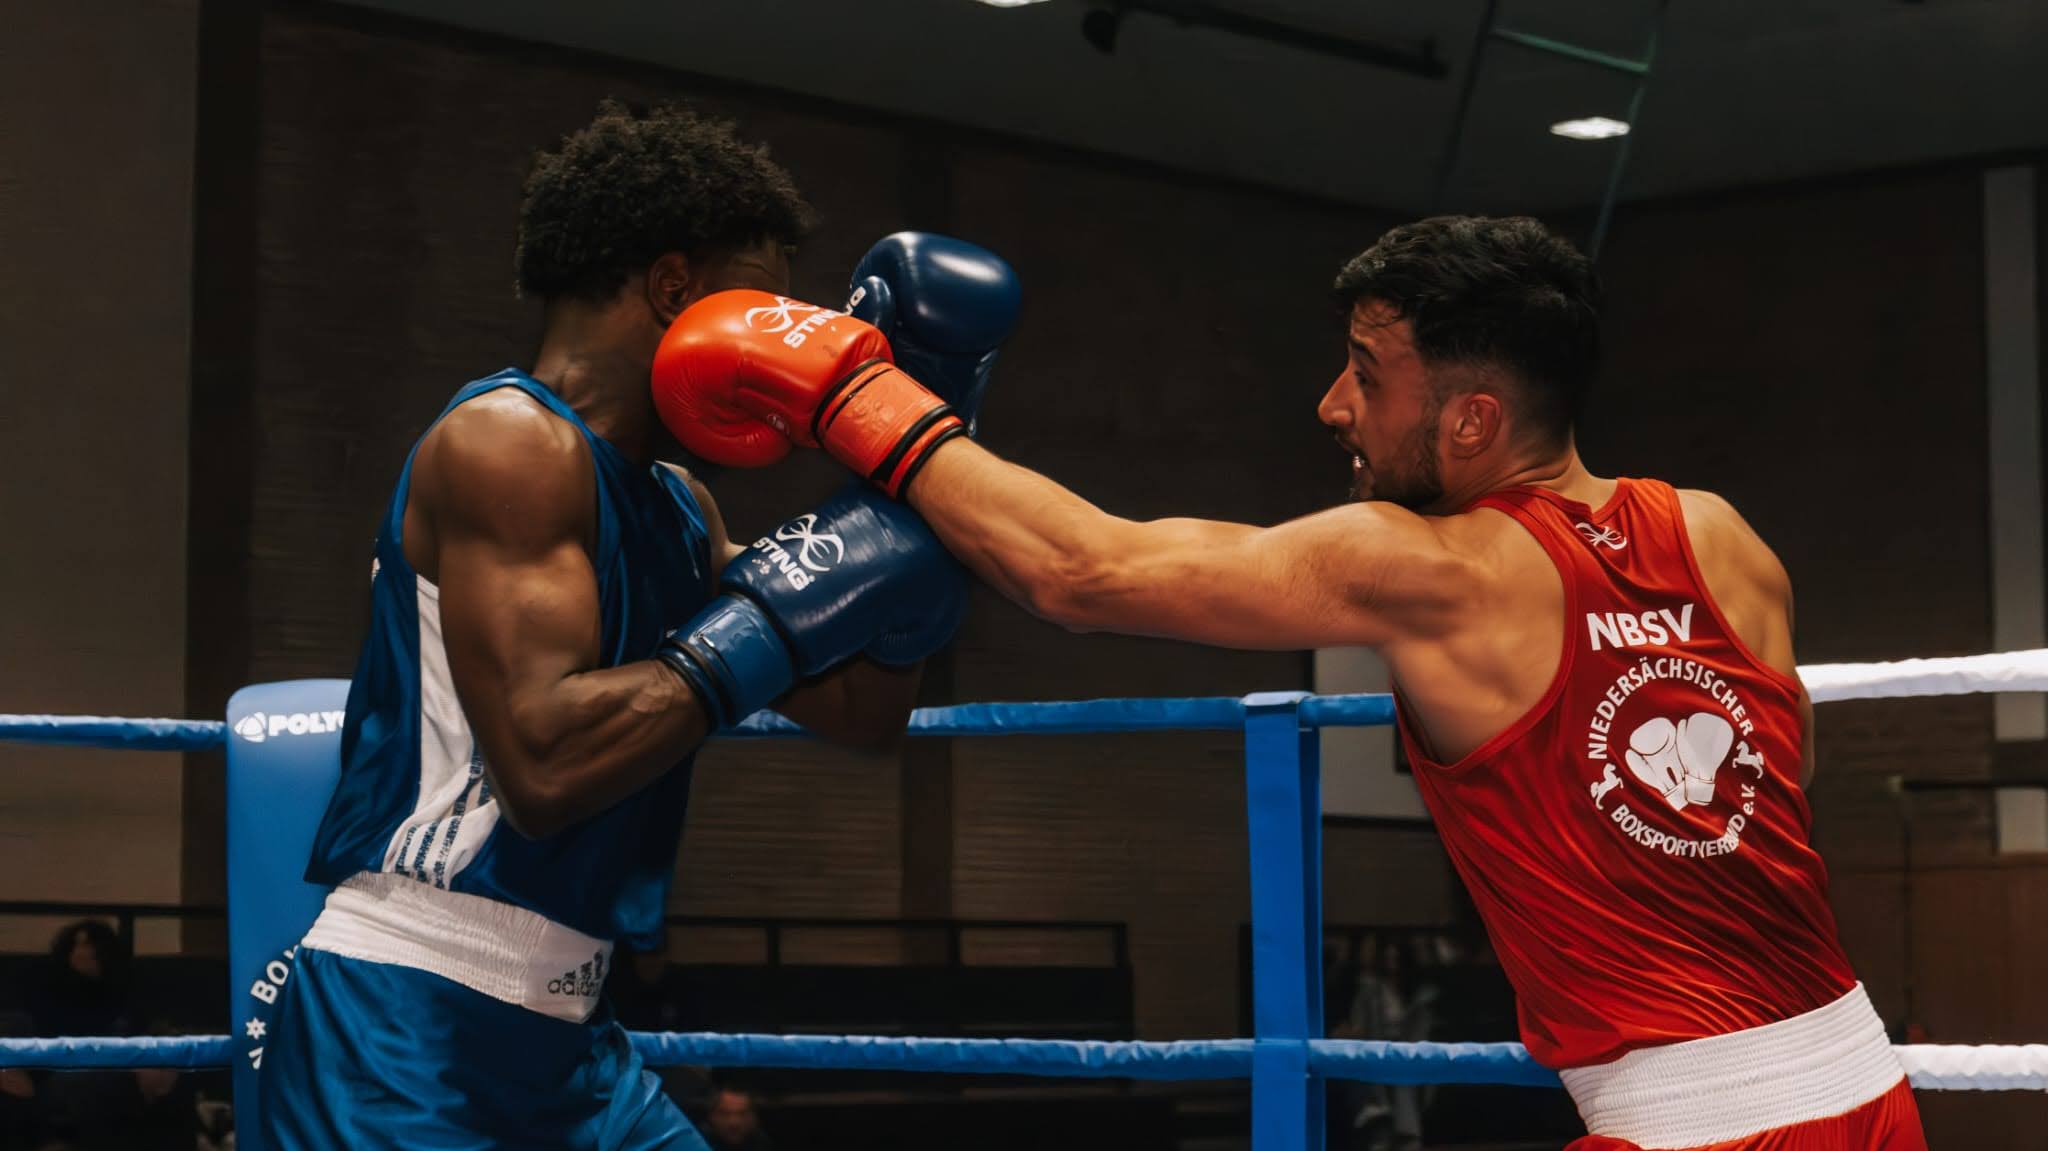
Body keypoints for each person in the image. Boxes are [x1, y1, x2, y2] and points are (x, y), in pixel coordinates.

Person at [650, 215, 1926, 1149]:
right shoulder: (1717, 534)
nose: (1332, 406)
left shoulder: (1427, 566)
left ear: (1473, 419)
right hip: (1864, 1088)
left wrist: (860, 394)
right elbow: (1777, 782)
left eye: (1367, 376)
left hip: (1690, 1125)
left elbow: (1083, 571)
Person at [257, 102, 998, 1150]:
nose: (779, 344)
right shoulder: (505, 442)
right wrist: (778, 616)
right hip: (409, 1020)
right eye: (764, 304)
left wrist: (900, 527)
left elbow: (859, 712)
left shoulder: (677, 503)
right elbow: (545, 764)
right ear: (672, 287)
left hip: (572, 1036)